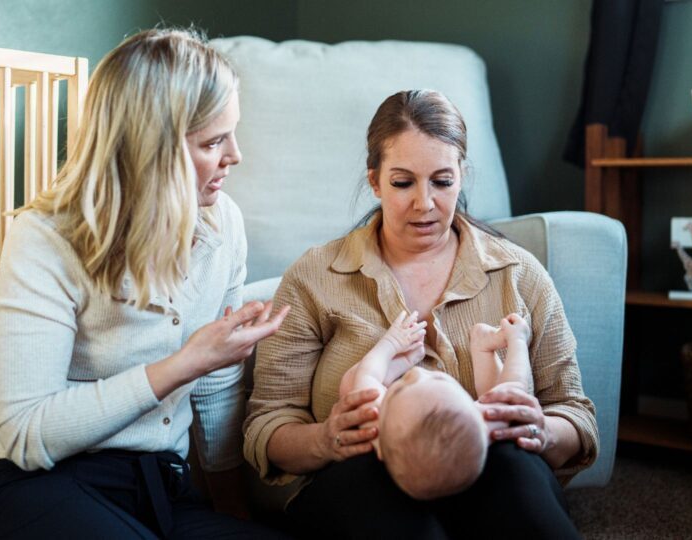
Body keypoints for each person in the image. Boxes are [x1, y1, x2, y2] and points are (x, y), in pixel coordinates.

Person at [0, 28, 290, 539]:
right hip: (44, 483)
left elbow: (216, 387)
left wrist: (233, 511)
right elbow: (25, 433)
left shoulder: (223, 226)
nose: (235, 156)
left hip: (165, 488)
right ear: (152, 149)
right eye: (213, 141)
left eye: (231, 134)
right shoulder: (46, 237)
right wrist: (183, 363)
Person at [244, 89, 598, 539]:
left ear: (462, 177)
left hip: (494, 471)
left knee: (515, 469)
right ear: (374, 181)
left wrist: (541, 431)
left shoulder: (518, 274)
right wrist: (328, 437)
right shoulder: (316, 276)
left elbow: (576, 415)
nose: (425, 203)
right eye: (403, 182)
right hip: (358, 476)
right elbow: (267, 426)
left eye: (442, 181)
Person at [339, 311, 535, 500]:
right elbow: (514, 388)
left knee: (352, 386)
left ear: (380, 447)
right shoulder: (476, 430)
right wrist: (517, 341)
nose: (416, 373)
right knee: (498, 399)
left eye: (399, 390)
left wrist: (391, 343)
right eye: (440, 380)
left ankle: (397, 370)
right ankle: (482, 348)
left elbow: (367, 374)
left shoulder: (382, 430)